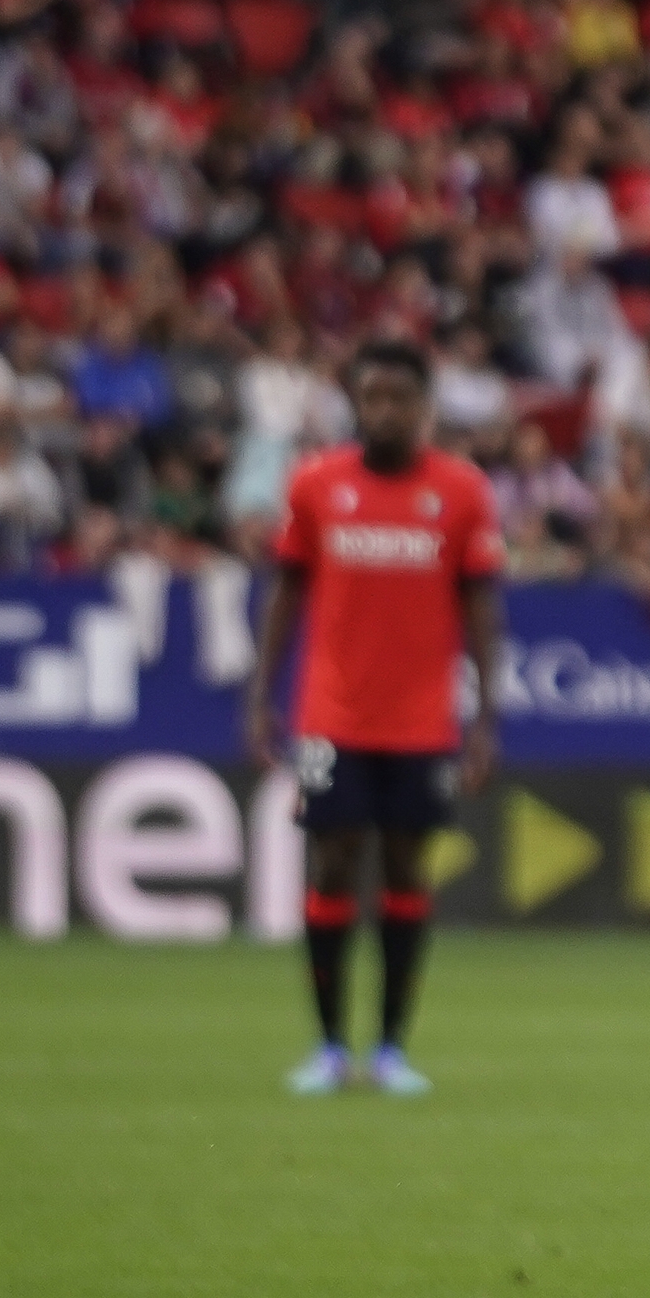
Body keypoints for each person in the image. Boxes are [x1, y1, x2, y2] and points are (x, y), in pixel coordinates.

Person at [244, 337, 503, 1097]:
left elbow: (482, 606)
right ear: (356, 401)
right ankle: (329, 1047)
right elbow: (287, 592)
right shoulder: (316, 484)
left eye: (398, 397)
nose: (383, 410)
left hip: (422, 721)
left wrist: (485, 717)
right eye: (371, 396)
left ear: (425, 405)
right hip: (332, 714)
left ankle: (390, 1048)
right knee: (331, 860)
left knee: (404, 866)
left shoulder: (461, 493)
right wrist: (262, 694)